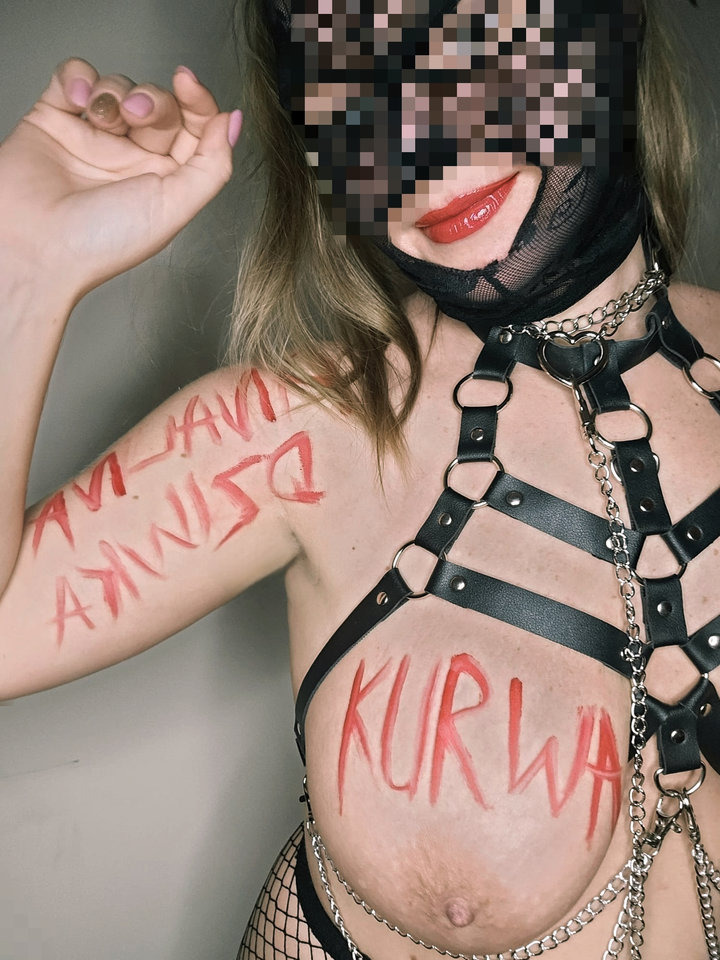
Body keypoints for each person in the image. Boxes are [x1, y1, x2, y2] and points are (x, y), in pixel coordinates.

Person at [0, 0, 718, 958]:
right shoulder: (310, 426)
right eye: (351, 102)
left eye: (468, 51)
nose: (414, 152)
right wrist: (23, 264)